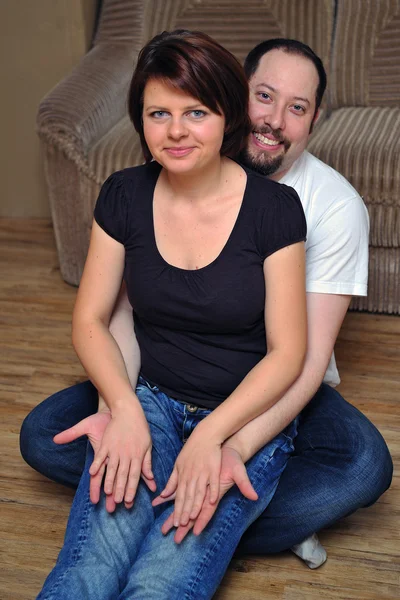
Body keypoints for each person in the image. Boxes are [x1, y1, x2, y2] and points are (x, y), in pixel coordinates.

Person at [21, 37, 392, 570]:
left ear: (314, 121)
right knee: (43, 434)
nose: (274, 120)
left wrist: (232, 448)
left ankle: (186, 510)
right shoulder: (182, 153)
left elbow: (302, 361)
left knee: (362, 467)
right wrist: (118, 412)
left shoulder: (333, 208)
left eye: (297, 108)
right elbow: (117, 312)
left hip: (272, 388)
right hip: (161, 374)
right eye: (264, 96)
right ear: (235, 95)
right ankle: (206, 505)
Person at [34, 30, 308, 599]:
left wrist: (214, 438)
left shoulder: (275, 210)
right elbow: (89, 319)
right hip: (151, 399)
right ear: (140, 119)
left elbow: (289, 352)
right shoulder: (123, 194)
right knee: (89, 570)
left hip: (239, 421)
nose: (176, 131)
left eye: (196, 112)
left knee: (160, 582)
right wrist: (125, 409)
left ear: (227, 114)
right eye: (158, 112)